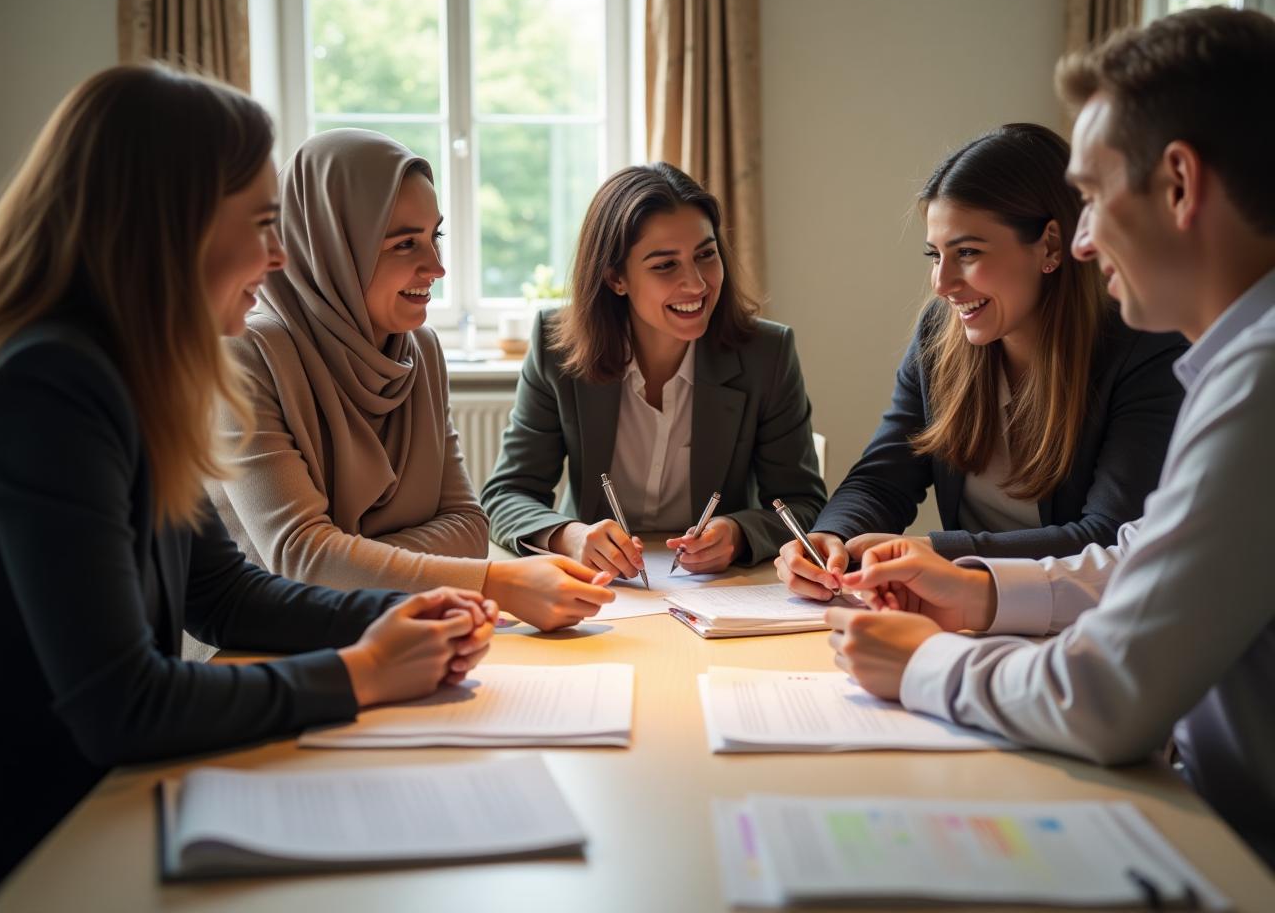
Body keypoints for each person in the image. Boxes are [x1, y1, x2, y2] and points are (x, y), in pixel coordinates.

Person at [0, 67, 496, 883]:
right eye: (263, 224)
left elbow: (225, 595)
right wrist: (364, 671)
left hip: (114, 807)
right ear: (172, 224)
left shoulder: (135, 372)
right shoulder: (52, 385)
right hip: (51, 848)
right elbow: (125, 705)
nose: (278, 253)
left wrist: (402, 613)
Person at [826, 7, 1275, 868]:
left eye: (1097, 196)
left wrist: (922, 665)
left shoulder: (1257, 381)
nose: (1085, 239)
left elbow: (1106, 698)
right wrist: (980, 592)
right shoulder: (1235, 362)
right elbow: (1138, 560)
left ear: (1180, 184)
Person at [209, 129, 614, 633]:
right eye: (405, 243)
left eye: (434, 236)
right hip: (267, 650)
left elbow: (469, 527)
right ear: (333, 247)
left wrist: (350, 558)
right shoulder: (245, 354)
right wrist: (491, 582)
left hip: (408, 631)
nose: (437, 267)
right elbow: (301, 560)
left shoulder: (419, 350)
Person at [777, 124, 1186, 602]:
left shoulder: (1145, 348)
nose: (942, 283)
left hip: (1078, 631)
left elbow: (1108, 539)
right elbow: (883, 478)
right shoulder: (938, 335)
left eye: (968, 252)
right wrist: (834, 539)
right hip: (967, 624)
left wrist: (933, 555)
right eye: (936, 254)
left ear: (1051, 246)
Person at [480, 163, 826, 578]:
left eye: (706, 254)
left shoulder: (766, 353)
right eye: (666, 265)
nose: (696, 284)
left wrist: (737, 533)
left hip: (719, 588)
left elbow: (803, 503)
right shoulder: (557, 347)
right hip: (602, 588)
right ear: (616, 278)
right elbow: (505, 495)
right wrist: (570, 537)